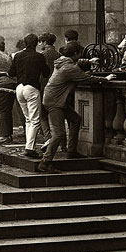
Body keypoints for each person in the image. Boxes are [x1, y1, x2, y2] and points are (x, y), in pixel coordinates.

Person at [39, 43, 115, 173]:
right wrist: (105, 79)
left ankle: (71, 150)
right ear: (74, 54)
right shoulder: (69, 68)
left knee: (75, 119)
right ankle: (45, 162)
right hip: (55, 102)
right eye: (79, 53)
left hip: (54, 98)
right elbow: (87, 78)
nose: (81, 55)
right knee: (58, 134)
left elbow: (77, 63)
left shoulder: (62, 61)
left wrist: (89, 61)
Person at [9, 34, 50, 158]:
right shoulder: (39, 56)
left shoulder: (17, 55)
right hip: (32, 88)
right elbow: (46, 72)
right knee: (35, 120)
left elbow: (11, 72)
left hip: (19, 88)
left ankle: (29, 145)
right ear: (36, 43)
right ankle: (29, 148)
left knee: (28, 119)